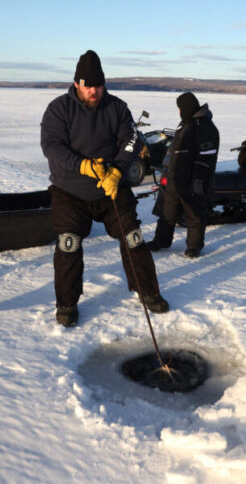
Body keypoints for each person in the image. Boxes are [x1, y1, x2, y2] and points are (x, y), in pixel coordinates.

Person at [40, 50, 169, 327]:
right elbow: (51, 146)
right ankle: (67, 303)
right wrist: (83, 166)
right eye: (88, 86)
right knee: (68, 245)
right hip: (70, 190)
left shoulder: (118, 108)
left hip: (111, 187)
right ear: (77, 84)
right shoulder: (59, 109)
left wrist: (117, 170)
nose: (94, 91)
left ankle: (148, 291)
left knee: (133, 237)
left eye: (99, 85)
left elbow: (132, 141)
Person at [147, 92, 220, 257]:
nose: (179, 111)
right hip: (174, 178)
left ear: (187, 107)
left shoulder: (205, 126)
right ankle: (161, 240)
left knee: (194, 213)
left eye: (180, 108)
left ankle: (194, 246)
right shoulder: (186, 123)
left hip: (193, 180)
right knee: (167, 211)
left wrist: (198, 180)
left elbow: (207, 156)